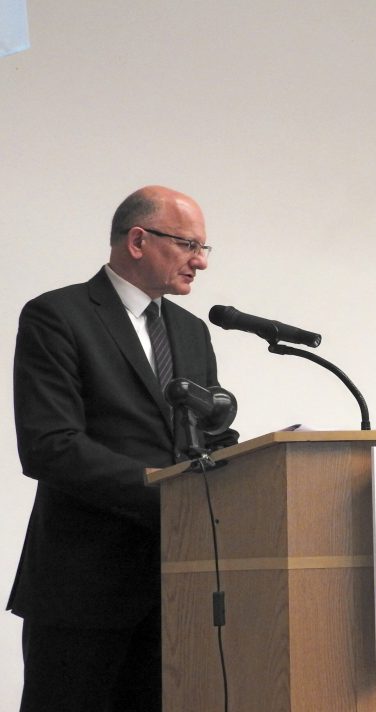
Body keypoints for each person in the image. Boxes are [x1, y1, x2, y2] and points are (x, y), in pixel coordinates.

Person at [7, 186, 238, 712]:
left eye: (203, 248)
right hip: (82, 587)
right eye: (189, 245)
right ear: (138, 240)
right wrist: (170, 495)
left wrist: (238, 465)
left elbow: (207, 435)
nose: (201, 261)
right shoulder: (57, 315)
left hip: (176, 588)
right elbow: (50, 445)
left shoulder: (191, 331)